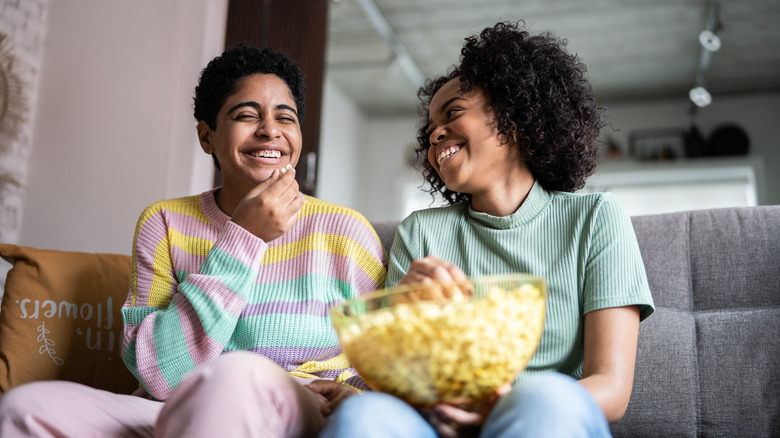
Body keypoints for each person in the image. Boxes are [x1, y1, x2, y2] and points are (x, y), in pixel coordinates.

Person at [0, 45, 387, 437]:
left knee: (237, 374)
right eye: (246, 115)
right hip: (178, 403)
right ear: (207, 136)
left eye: (285, 117)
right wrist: (244, 238)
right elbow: (162, 376)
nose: (270, 130)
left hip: (294, 405)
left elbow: (385, 366)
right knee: (25, 408)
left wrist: (357, 395)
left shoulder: (347, 233)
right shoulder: (164, 222)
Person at [320, 21, 654, 438]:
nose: (435, 134)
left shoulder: (596, 218)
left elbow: (612, 388)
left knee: (545, 396)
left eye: (453, 112)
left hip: (547, 416)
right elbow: (400, 386)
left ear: (513, 116)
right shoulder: (421, 233)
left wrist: (503, 408)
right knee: (363, 418)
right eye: (428, 131)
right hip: (441, 427)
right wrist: (406, 312)